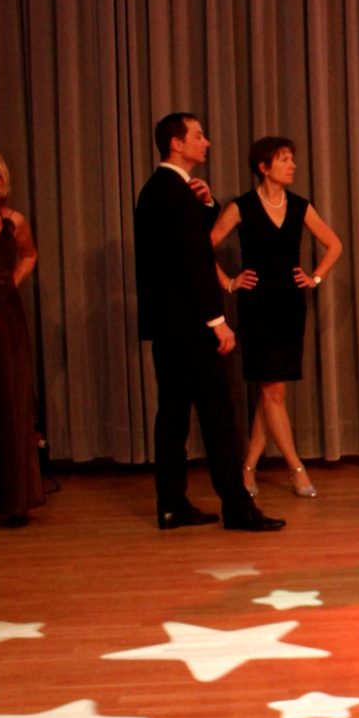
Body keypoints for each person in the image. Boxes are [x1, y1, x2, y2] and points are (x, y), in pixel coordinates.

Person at [134, 115, 284, 532]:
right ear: (176, 143)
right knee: (218, 415)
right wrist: (217, 320)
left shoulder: (158, 190)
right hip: (191, 324)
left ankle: (171, 505)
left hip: (167, 325)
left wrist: (206, 205)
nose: (207, 142)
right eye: (198, 136)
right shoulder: (173, 193)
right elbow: (194, 261)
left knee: (173, 415)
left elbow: (178, 251)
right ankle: (237, 508)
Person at [211, 138, 342, 500]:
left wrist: (315, 278)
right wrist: (228, 282)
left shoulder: (300, 206)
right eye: (284, 159)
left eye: (292, 159)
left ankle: (247, 468)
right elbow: (204, 246)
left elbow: (334, 244)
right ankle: (296, 469)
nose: (292, 165)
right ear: (264, 167)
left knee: (272, 392)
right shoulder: (241, 207)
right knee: (273, 393)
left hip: (290, 307)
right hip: (257, 308)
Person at [0, 151, 44, 526]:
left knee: (10, 407)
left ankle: (13, 502)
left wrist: (11, 281)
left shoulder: (13, 222)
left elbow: (29, 254)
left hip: (5, 321)